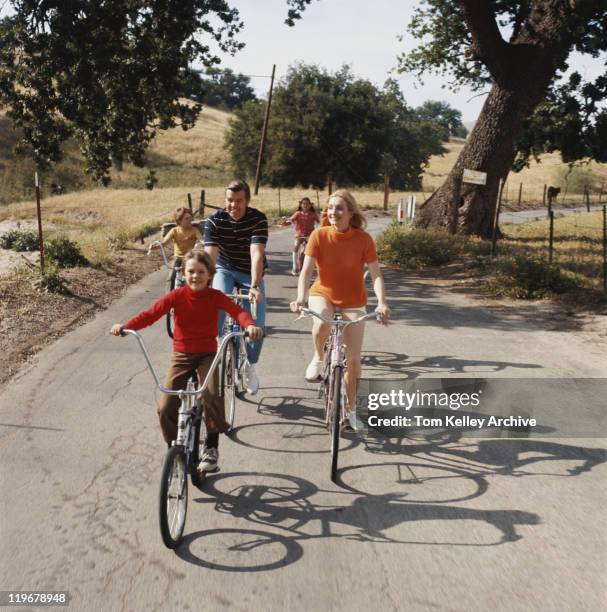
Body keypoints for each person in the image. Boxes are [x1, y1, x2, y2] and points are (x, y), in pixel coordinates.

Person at [110, 250, 263, 473]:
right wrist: (126, 327)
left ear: (210, 275)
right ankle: (174, 447)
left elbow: (237, 312)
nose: (196, 276)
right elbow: (150, 314)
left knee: (211, 395)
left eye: (201, 272)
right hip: (181, 356)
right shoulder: (176, 296)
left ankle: (211, 447)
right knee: (165, 406)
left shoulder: (216, 296)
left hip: (207, 355)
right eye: (191, 272)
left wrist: (249, 325)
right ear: (183, 273)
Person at [290, 190, 391, 429]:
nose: (333, 212)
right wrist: (300, 298)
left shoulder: (364, 239)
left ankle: (351, 409)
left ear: (350, 212)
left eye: (339, 208)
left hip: (353, 300)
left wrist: (382, 302)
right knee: (323, 322)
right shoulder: (318, 235)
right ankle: (318, 357)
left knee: (354, 360)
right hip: (322, 293)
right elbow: (306, 271)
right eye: (330, 207)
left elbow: (376, 275)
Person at [204, 179, 268, 395]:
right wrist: (204, 287)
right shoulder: (214, 221)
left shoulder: (258, 219)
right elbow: (211, 256)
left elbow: (256, 254)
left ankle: (250, 365)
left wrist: (255, 286)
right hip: (225, 269)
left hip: (250, 272)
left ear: (247, 201)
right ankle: (211, 352)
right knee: (215, 303)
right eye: (230, 200)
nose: (234, 205)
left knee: (257, 322)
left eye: (239, 201)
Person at [150, 207, 203, 282]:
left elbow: (202, 240)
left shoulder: (194, 230)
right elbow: (164, 243)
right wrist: (155, 247)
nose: (190, 220)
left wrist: (202, 244)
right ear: (179, 220)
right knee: (171, 277)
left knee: (195, 276)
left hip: (190, 258)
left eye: (190, 218)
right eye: (187, 219)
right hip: (178, 258)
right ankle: (170, 292)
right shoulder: (174, 231)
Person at [282, 197, 320, 275]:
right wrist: (286, 222)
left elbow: (319, 222)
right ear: (301, 205)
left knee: (303, 252)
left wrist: (319, 229)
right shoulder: (298, 213)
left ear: (310, 205)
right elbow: (290, 220)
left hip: (309, 236)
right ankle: (294, 267)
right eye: (303, 204)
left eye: (307, 204)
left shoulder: (313, 214)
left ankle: (302, 269)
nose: (305, 205)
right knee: (296, 246)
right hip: (299, 235)